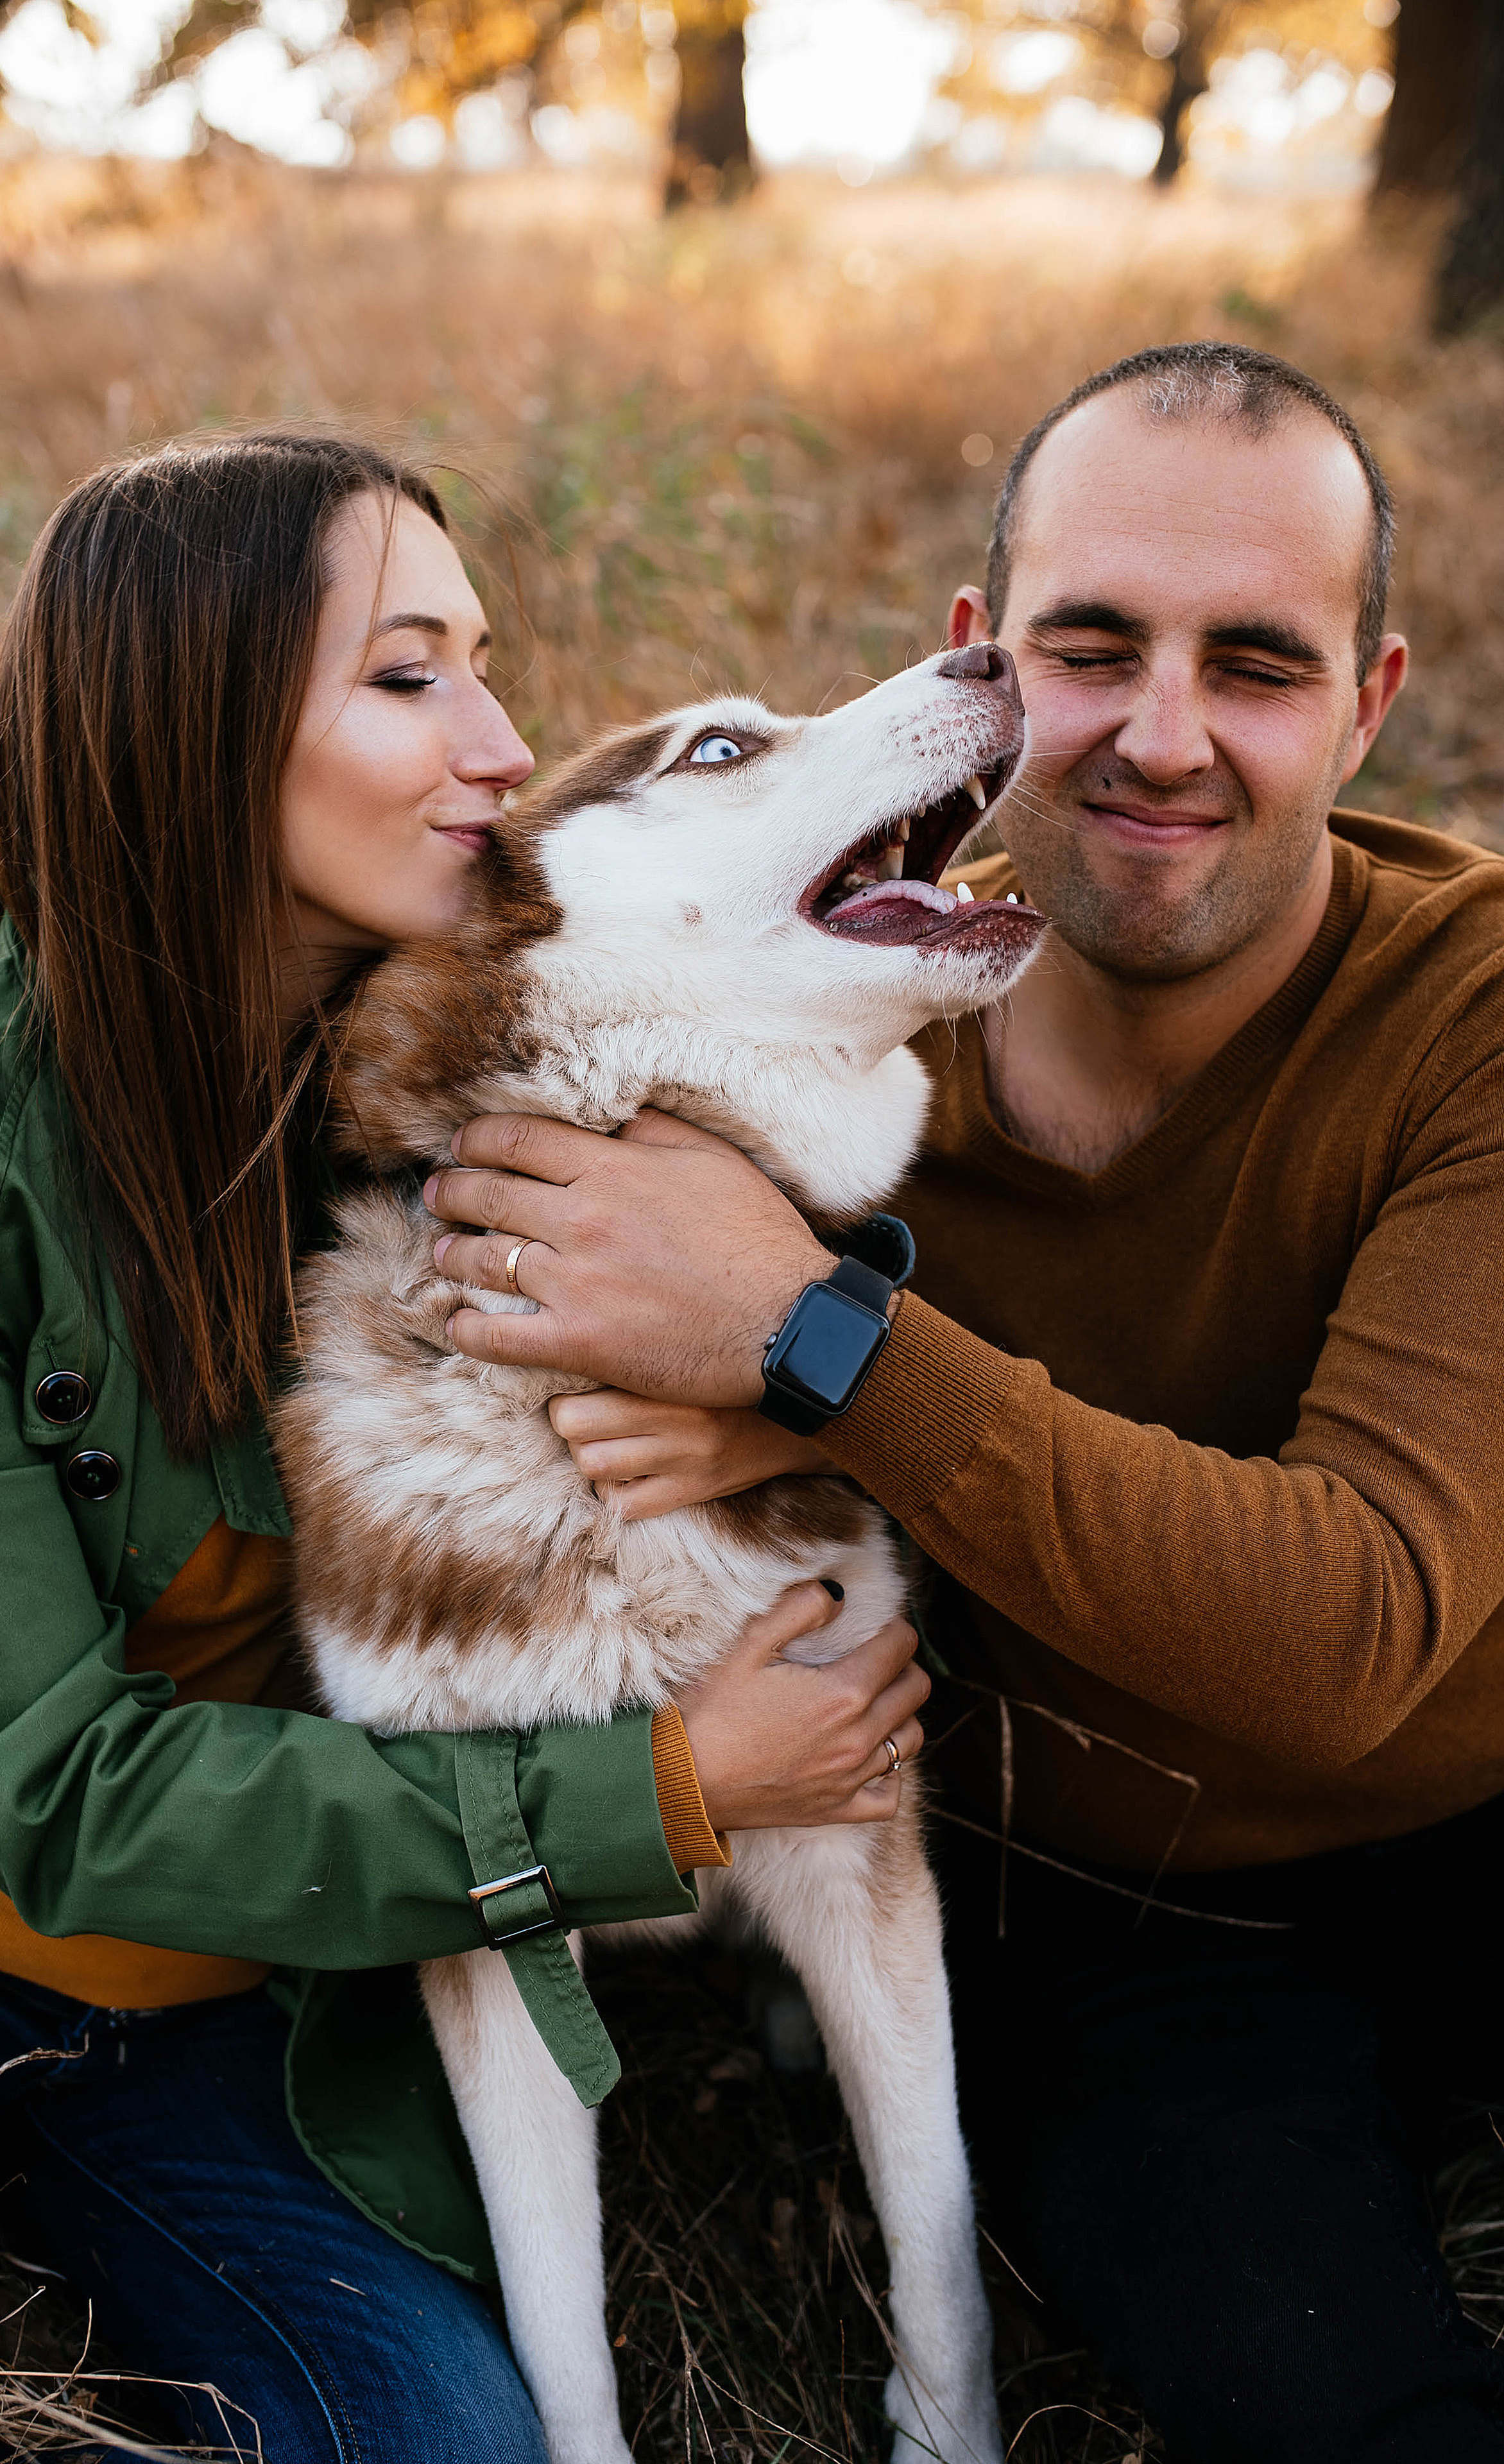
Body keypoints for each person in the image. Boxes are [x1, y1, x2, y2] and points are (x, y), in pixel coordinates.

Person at [422, 342, 1504, 2463]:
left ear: (1369, 704)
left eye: (1257, 667)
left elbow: (1354, 1633)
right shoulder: (798, 1026)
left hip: (1481, 1788)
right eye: (1092, 647)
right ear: (982, 667)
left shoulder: (1466, 1015)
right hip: (1126, 1917)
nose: (1162, 737)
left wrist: (823, 1353)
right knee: (1310, 2387)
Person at [0, 431, 930, 2461]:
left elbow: (778, 1136)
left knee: (439, 2442)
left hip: (251, 1998)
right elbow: (59, 1796)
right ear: (190, 735)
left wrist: (778, 1365)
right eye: (409, 674)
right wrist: (662, 1790)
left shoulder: (481, 1047)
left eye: (490, 663)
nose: (507, 743)